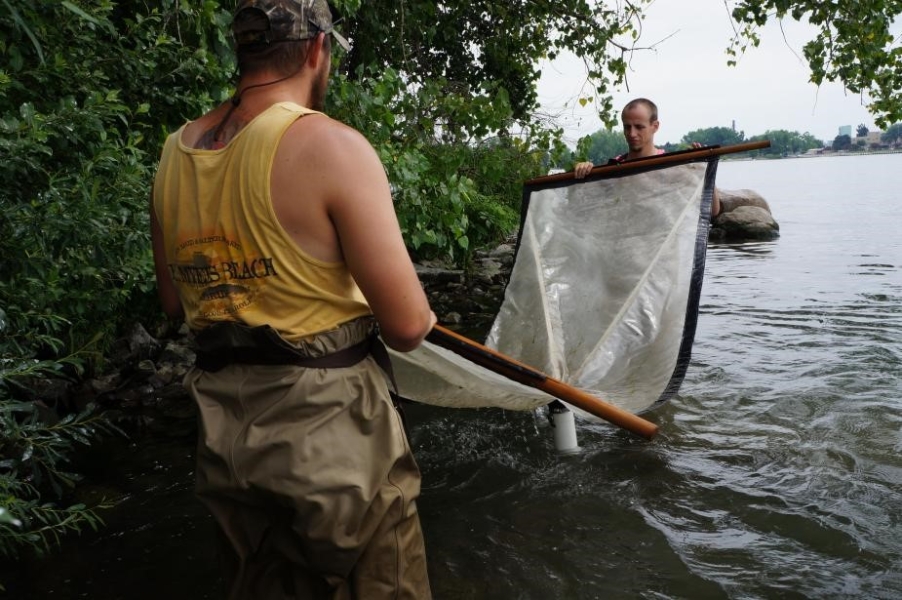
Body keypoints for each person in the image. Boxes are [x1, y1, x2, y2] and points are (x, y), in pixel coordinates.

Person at [150, 0, 437, 598]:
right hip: (331, 439)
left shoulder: (173, 155)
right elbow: (408, 326)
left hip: (224, 436)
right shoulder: (331, 147)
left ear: (244, 48)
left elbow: (175, 304)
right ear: (316, 49)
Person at [573, 97, 721, 217]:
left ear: (655, 126)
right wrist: (584, 174)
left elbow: (712, 211)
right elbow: (582, 211)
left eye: (639, 127)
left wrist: (705, 171)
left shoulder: (673, 167)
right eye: (627, 127)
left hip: (663, 250)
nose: (632, 134)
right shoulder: (613, 168)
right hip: (621, 248)